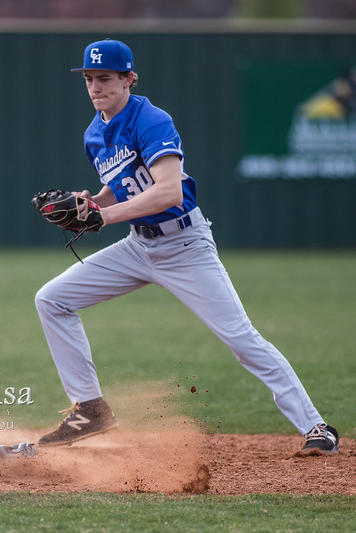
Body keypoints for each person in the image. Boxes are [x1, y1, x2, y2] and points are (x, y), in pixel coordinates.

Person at [34, 39, 339, 454]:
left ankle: (316, 427)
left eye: (104, 78)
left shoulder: (151, 118)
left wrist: (102, 216)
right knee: (51, 299)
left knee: (241, 338)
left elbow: (169, 193)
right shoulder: (94, 133)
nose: (95, 86)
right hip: (138, 246)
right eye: (89, 78)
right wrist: (92, 203)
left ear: (128, 78)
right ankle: (91, 410)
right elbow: (122, 183)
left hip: (185, 244)